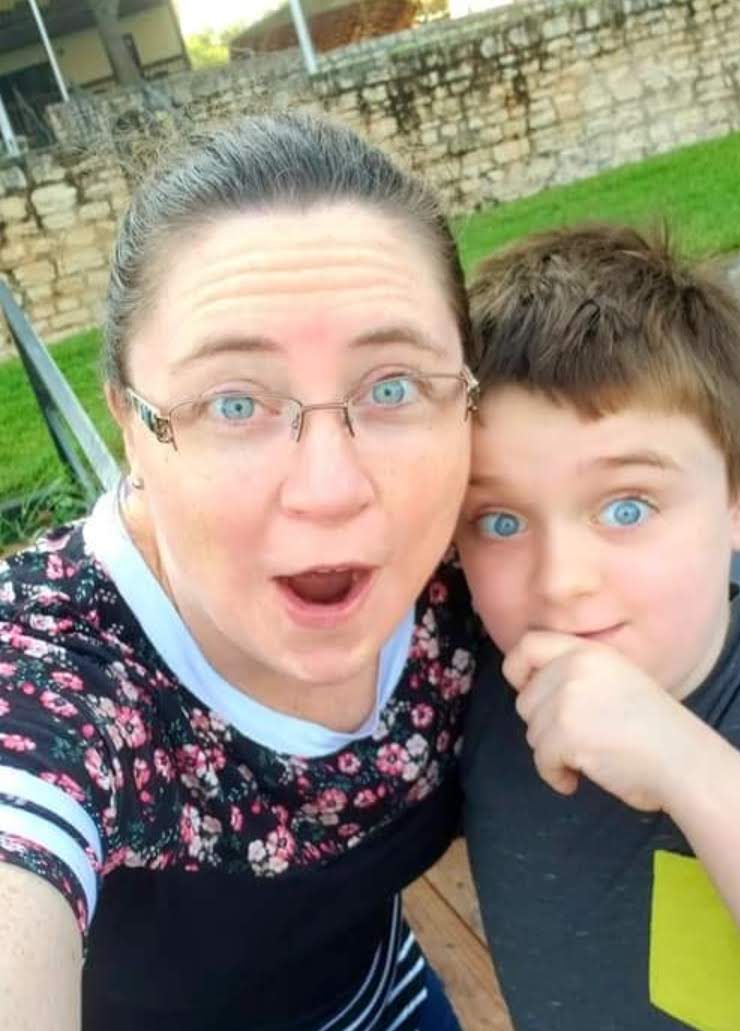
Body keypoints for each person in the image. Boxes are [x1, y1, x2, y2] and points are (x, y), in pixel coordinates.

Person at [0, 113, 481, 1031]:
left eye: (392, 387)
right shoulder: (53, 668)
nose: (331, 489)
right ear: (131, 425)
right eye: (233, 403)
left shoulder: (484, 565)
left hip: (387, 1001)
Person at [457, 223, 740, 1031]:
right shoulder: (470, 698)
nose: (560, 580)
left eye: (627, 507)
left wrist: (681, 758)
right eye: (499, 521)